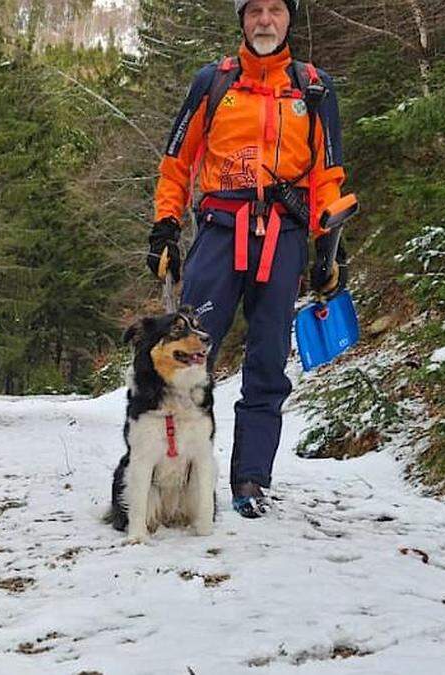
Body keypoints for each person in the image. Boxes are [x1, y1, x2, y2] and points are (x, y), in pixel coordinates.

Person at [147, 0, 350, 518]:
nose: (265, 20)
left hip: (283, 237)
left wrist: (329, 245)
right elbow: (177, 163)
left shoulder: (314, 88)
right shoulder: (212, 83)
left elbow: (327, 175)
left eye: (275, 10)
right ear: (242, 19)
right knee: (189, 359)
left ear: (289, 18)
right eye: (254, 10)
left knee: (266, 363)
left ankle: (250, 480)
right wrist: (166, 226)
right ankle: (177, 474)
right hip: (218, 233)